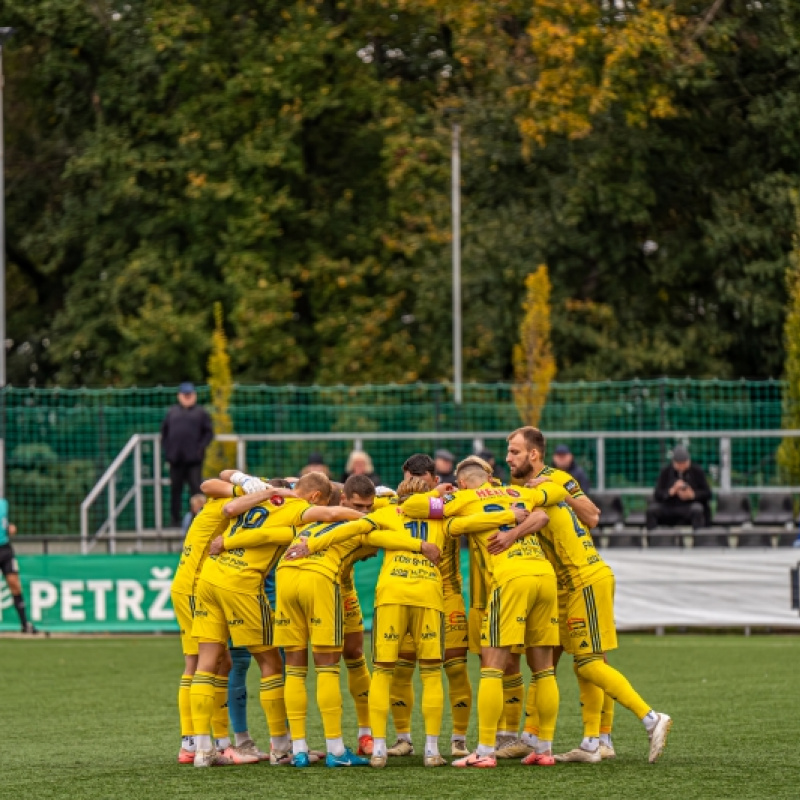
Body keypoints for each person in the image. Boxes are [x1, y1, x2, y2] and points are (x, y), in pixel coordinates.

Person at [499, 426, 673, 765]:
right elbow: (585, 514)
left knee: (590, 662)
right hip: (566, 585)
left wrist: (513, 532)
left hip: (585, 579)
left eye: (515, 452)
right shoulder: (543, 483)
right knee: (557, 661)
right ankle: (587, 741)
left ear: (534, 455)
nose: (508, 458)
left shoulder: (551, 481)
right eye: (508, 452)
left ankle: (649, 719)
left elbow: (576, 515)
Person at [401, 456, 567, 768]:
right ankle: (544, 749)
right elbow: (557, 494)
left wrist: (441, 495)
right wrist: (534, 488)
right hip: (544, 576)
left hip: (509, 578)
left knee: (492, 664)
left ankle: (486, 751)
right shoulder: (519, 494)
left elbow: (411, 508)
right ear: (488, 479)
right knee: (543, 669)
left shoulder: (461, 499)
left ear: (462, 482)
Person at [275, 474, 441, 768]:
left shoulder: (318, 514)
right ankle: (337, 751)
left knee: (297, 667)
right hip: (323, 581)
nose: (363, 512)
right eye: (358, 506)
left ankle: (299, 749)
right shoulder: (362, 524)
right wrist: (420, 545)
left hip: (286, 574)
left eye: (368, 506)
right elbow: (378, 536)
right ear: (343, 500)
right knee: (327, 667)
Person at [161, 382, 214, 527]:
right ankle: (175, 520)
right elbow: (164, 433)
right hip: (176, 459)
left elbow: (209, 433)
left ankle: (198, 518)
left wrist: (200, 448)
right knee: (175, 490)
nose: (187, 397)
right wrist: (169, 451)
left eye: (190, 394)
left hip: (194, 460)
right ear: (179, 396)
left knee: (196, 489)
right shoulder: (172, 412)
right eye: (185, 395)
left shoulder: (201, 412)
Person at [646, 445, 711, 530]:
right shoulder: (665, 472)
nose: (681, 467)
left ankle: (699, 541)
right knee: (652, 510)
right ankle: (654, 540)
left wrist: (693, 495)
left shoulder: (697, 471)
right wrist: (670, 492)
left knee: (697, 509)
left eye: (684, 463)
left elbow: (708, 493)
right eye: (679, 464)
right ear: (673, 463)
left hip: (689, 506)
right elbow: (657, 494)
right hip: (670, 506)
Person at [0, 498, 36, 634]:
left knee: (14, 584)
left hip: (5, 549)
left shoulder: (3, 503)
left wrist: (9, 527)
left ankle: (25, 624)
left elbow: (4, 524)